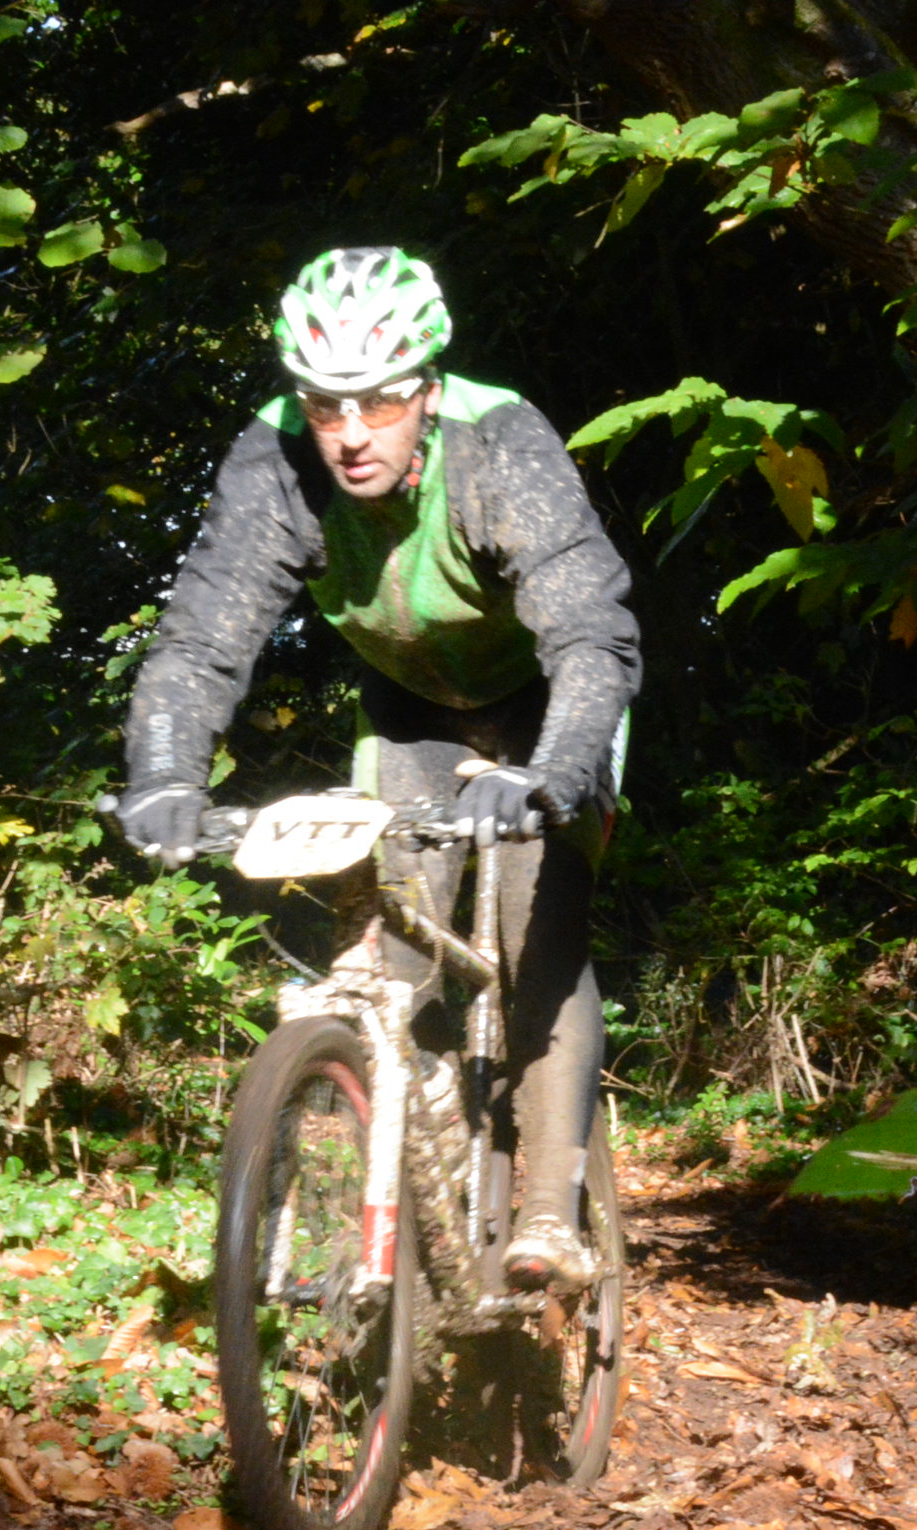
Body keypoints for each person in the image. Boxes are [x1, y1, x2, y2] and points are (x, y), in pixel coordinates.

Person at [112, 246, 638, 1291]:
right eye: (325, 406)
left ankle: (549, 1211)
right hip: (410, 711)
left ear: (428, 390)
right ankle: (416, 1205)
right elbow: (203, 639)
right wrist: (165, 773)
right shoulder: (276, 459)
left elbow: (589, 635)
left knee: (536, 923)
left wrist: (552, 773)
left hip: (546, 703)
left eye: (382, 402)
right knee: (397, 949)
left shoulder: (500, 441)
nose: (352, 435)